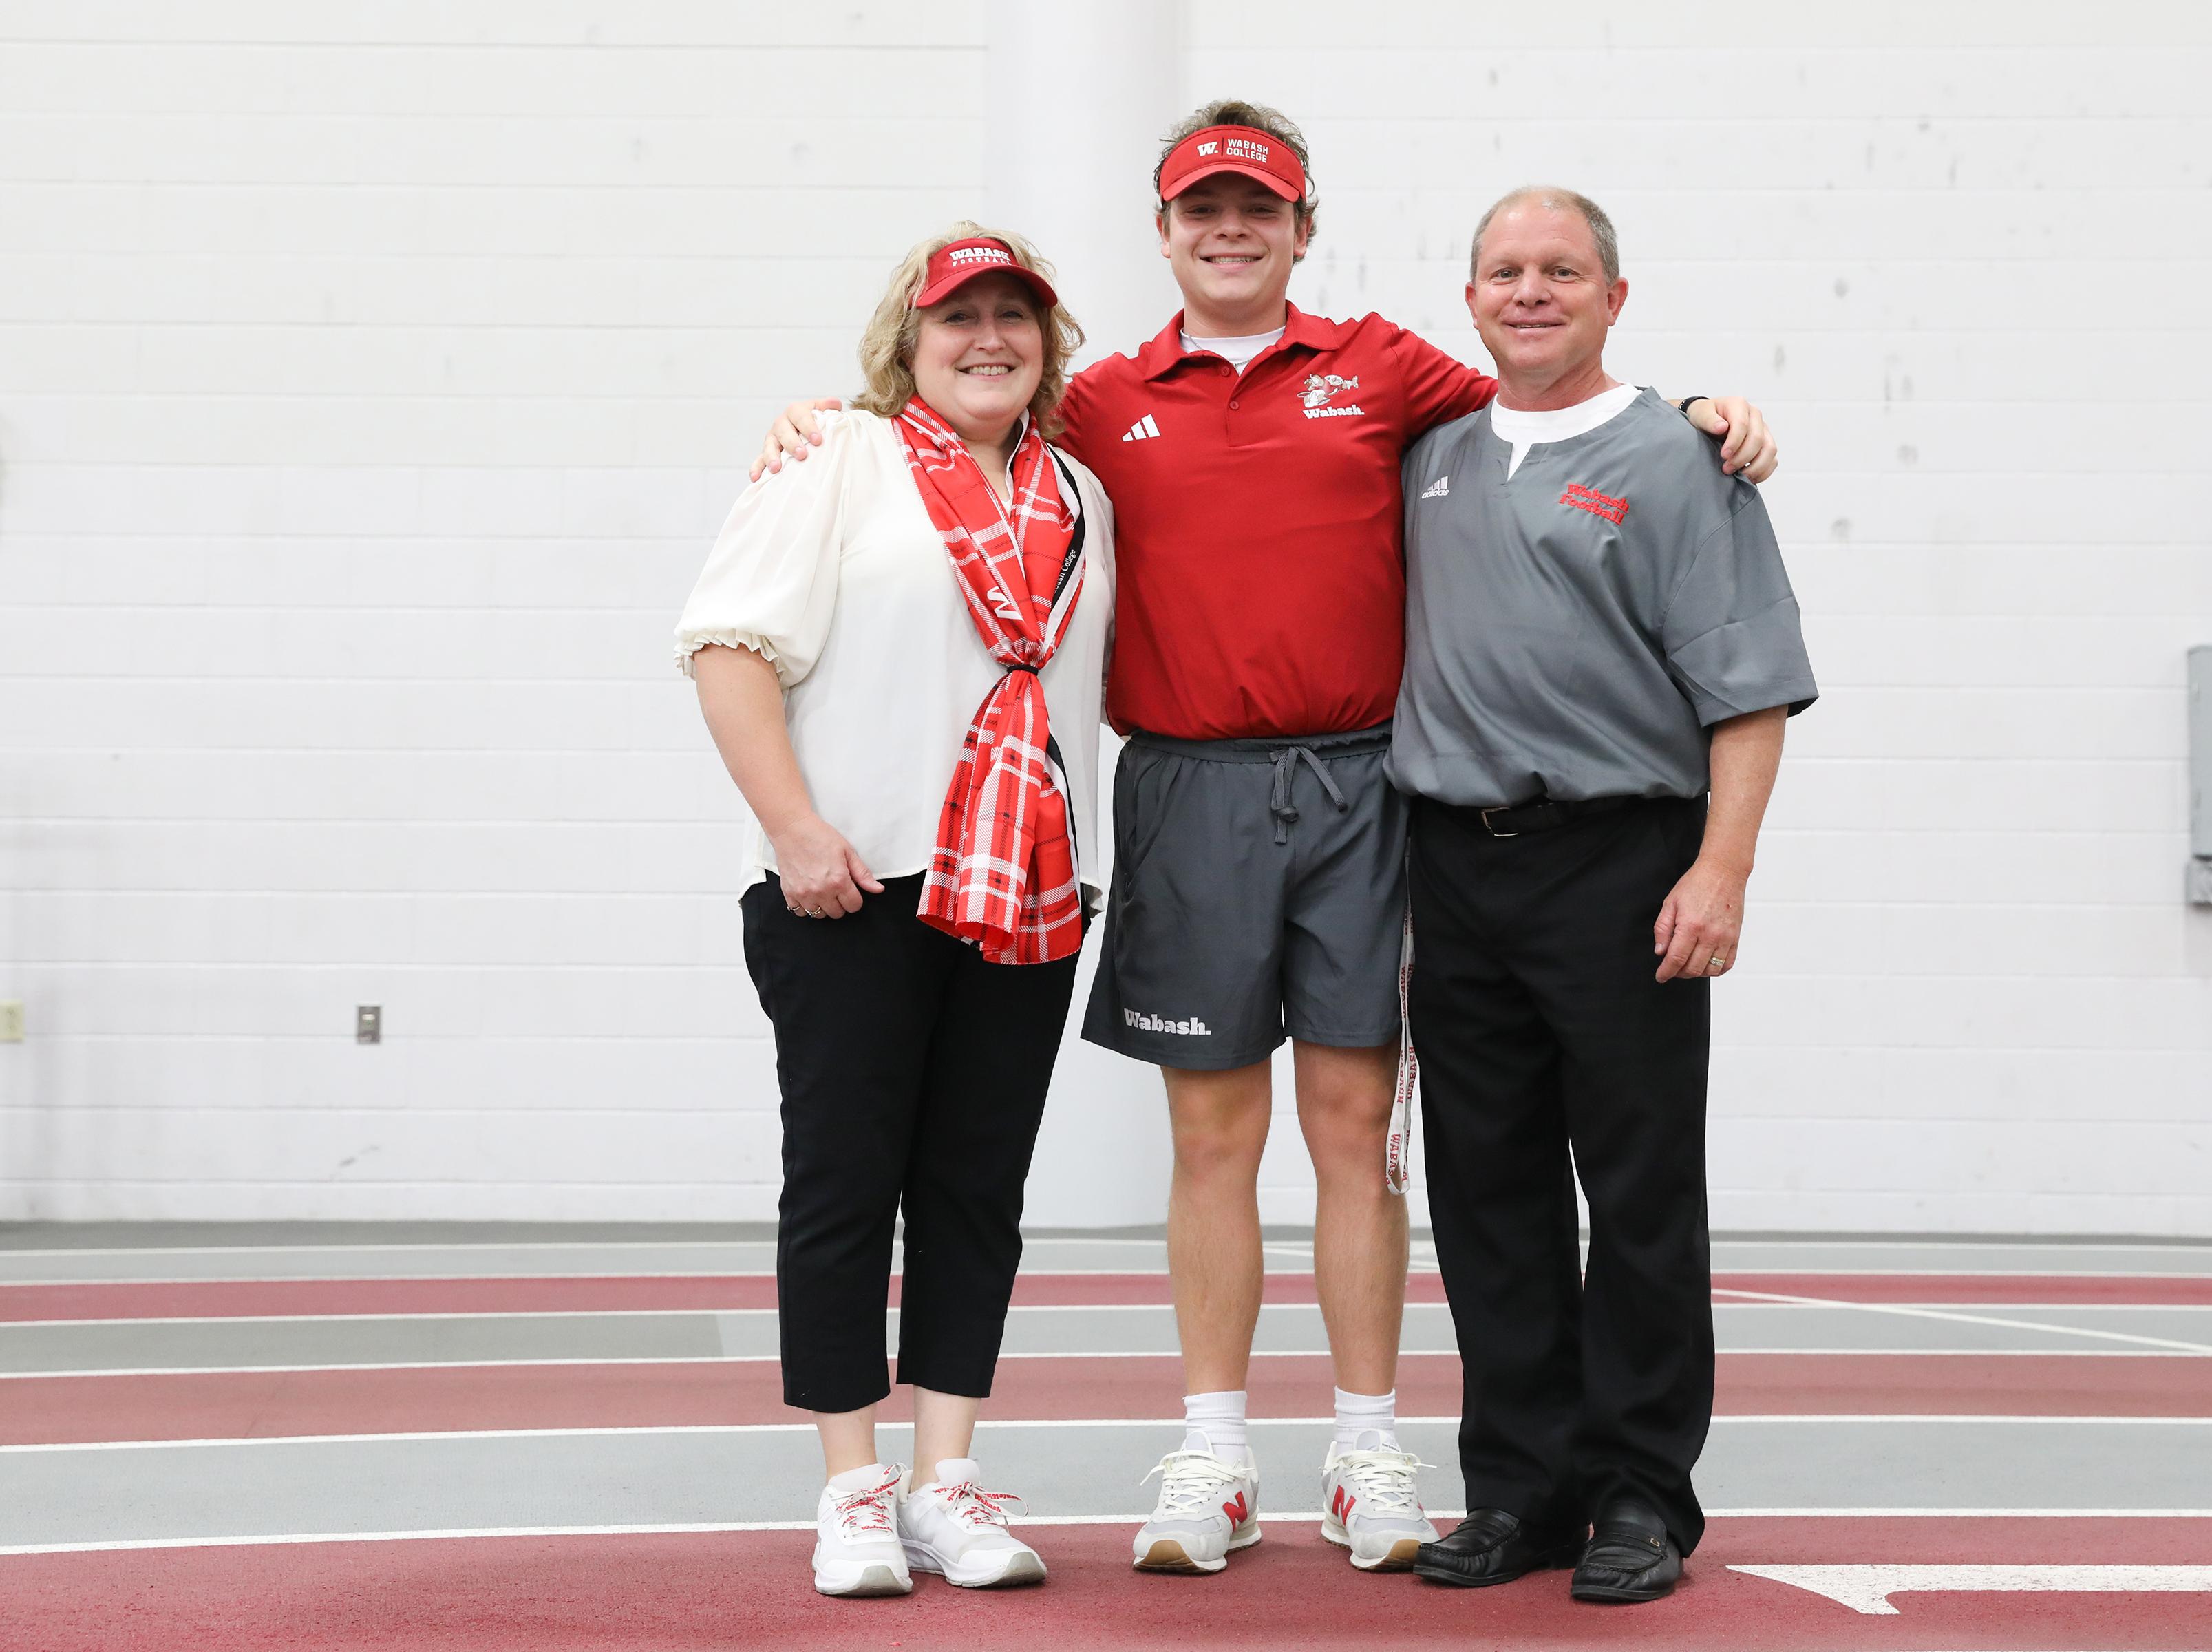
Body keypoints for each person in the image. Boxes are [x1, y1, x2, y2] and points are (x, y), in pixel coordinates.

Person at [752, 101, 1780, 1577]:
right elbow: (943, 420)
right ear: (1164, 232)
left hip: (1368, 788)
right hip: (1185, 790)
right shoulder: (1096, 399)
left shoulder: (1388, 371)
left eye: (1260, 210)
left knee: (1362, 1138)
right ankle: (1218, 1455)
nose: (1230, 231)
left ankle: (1368, 1447)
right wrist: (819, 421)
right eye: (1201, 211)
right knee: (1212, 1137)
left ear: (1303, 228)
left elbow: (1549, 393)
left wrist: (1697, 417)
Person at [674, 227, 1115, 1598]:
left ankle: (945, 1479)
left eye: (1015, 317)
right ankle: (850, 1487)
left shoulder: (1083, 490)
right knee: (846, 1184)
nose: (988, 338)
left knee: (977, 1189)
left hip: (1029, 892)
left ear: (1048, 342)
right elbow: (731, 648)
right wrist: (801, 831)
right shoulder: (836, 460)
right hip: (853, 886)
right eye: (957, 318)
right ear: (905, 343)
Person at [1390, 187, 1816, 1605]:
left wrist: (1722, 869)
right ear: (1470, 301)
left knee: (1636, 1196)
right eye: (1502, 270)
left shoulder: (1681, 461)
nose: (1530, 291)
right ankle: (1520, 1490)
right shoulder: (1432, 456)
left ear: (1613, 298)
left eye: (1560, 270)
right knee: (1490, 1198)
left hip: (1622, 863)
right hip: (1454, 866)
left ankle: (1640, 1493)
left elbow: (1747, 695)